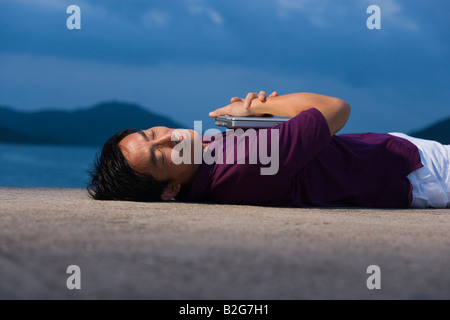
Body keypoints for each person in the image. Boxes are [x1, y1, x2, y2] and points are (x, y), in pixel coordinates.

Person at [88, 91, 450, 208]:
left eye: (153, 132)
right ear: (169, 190)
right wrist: (266, 108)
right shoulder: (245, 163)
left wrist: (246, 118)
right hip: (415, 169)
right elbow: (336, 109)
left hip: (390, 155)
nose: (169, 137)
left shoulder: (206, 163)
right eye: (159, 153)